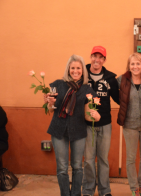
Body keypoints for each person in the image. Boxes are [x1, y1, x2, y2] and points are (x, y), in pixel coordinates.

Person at [46, 55, 100, 196]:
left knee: (77, 167)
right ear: (68, 69)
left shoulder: (87, 89)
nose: (75, 71)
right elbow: (50, 108)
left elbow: (92, 111)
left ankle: (76, 194)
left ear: (82, 70)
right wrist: (50, 103)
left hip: (78, 131)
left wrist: (97, 115)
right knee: (62, 168)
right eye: (73, 68)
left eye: (78, 68)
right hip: (58, 130)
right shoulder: (57, 84)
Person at [82, 46, 119, 196]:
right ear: (90, 57)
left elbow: (119, 98)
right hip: (86, 125)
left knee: (103, 159)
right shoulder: (82, 75)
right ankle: (88, 191)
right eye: (94, 56)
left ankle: (105, 191)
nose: (97, 60)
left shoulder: (110, 78)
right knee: (89, 160)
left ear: (104, 60)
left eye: (100, 57)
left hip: (105, 125)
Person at [117, 53, 141, 196]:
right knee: (130, 158)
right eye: (132, 64)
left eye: (138, 64)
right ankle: (134, 188)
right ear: (128, 66)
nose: (135, 66)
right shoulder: (121, 80)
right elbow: (111, 92)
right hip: (129, 125)